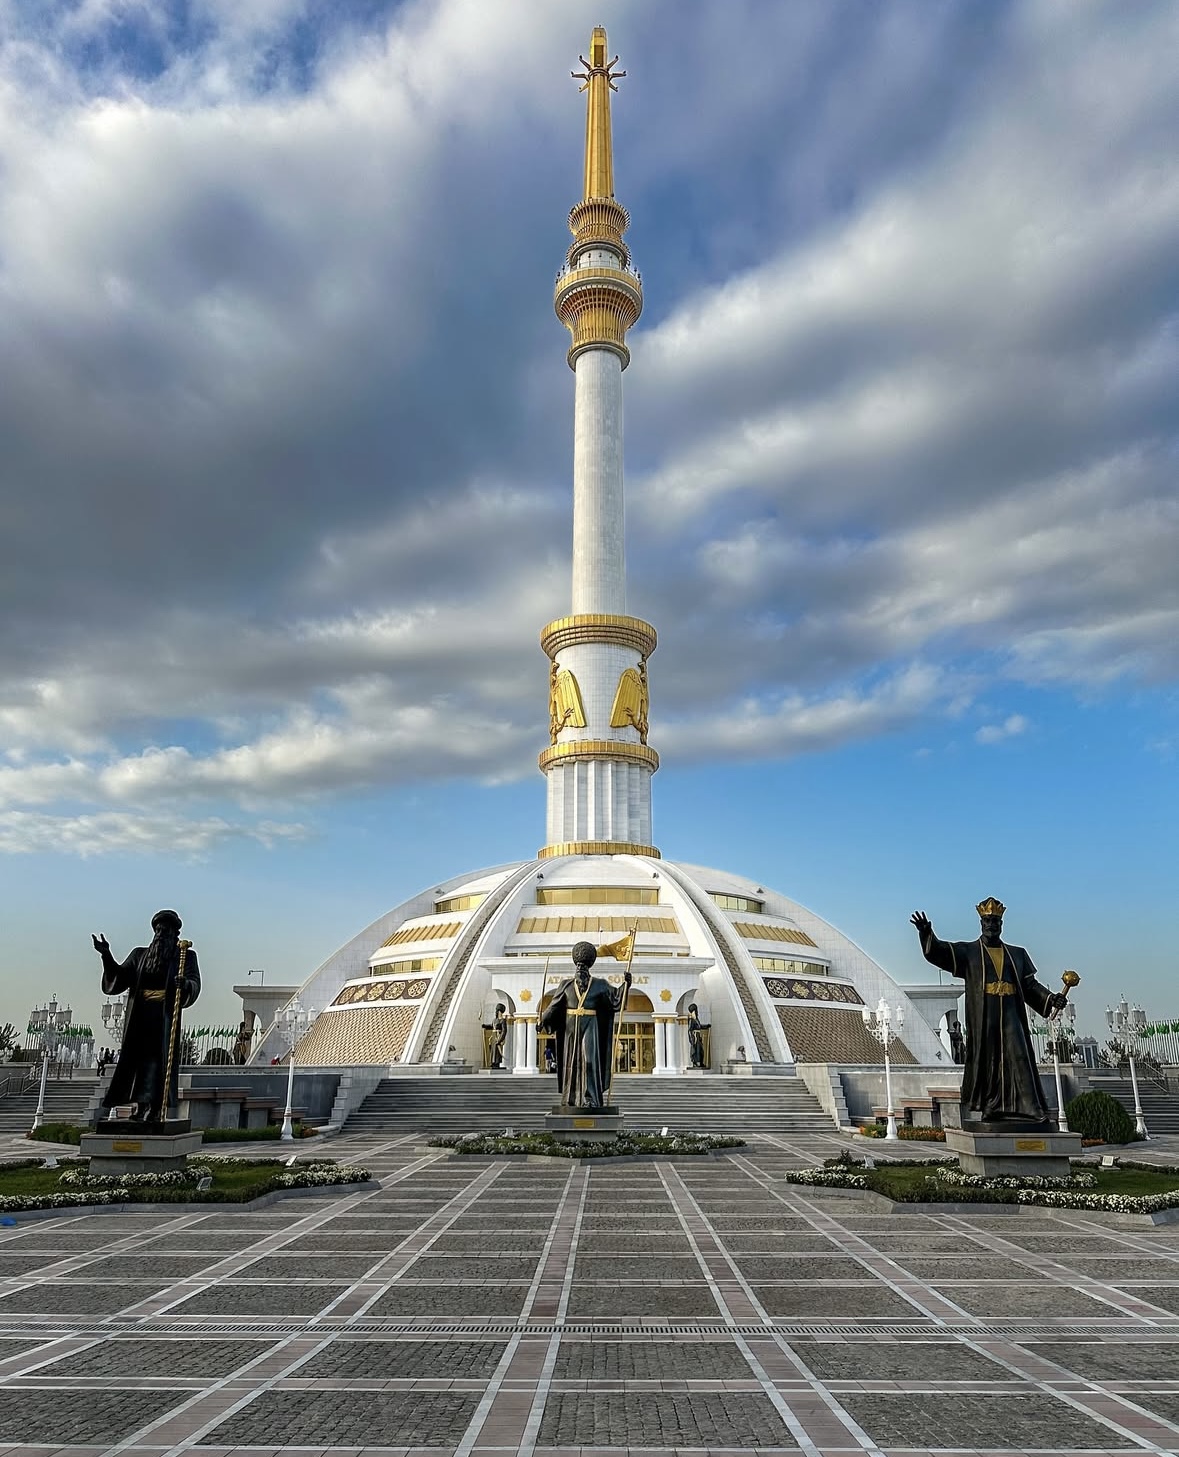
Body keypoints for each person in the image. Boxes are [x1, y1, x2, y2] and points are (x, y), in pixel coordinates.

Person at [912, 898, 1066, 1127]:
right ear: (981, 923)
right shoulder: (969, 952)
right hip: (985, 1015)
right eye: (987, 921)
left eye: (995, 921)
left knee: (1019, 1056)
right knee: (989, 1060)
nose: (991, 925)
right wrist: (926, 933)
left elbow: (1030, 986)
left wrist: (1051, 998)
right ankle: (992, 1107)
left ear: (1001, 924)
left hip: (1010, 1013)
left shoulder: (1017, 954)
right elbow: (939, 952)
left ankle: (1031, 1108)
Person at [91, 909, 201, 1123]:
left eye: (166, 929)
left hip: (163, 1016)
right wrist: (106, 955)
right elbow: (120, 978)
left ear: (174, 933)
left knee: (157, 1063)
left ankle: (155, 1107)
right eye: (158, 929)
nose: (161, 933)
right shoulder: (140, 955)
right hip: (140, 1016)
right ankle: (140, 1106)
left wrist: (185, 984)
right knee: (138, 1063)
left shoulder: (185, 956)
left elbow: (194, 982)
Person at [538, 941, 630, 1109]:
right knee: (571, 1063)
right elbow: (554, 1005)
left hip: (590, 1025)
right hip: (571, 1028)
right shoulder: (565, 984)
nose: (580, 968)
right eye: (578, 965)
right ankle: (570, 1099)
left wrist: (626, 985)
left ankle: (590, 1099)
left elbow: (616, 999)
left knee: (589, 1061)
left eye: (584, 966)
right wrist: (543, 1020)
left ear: (589, 968)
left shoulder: (600, 984)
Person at [687, 1003, 709, 1068]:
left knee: (700, 1050)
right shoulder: (692, 1020)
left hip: (698, 1036)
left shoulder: (696, 1019)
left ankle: (701, 1062)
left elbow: (699, 1027)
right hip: (695, 1037)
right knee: (695, 1050)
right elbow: (690, 1030)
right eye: (696, 1010)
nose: (697, 1011)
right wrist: (692, 1039)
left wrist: (706, 1026)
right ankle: (695, 1062)